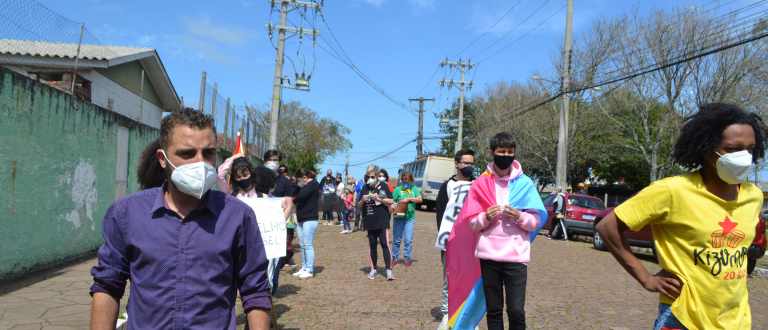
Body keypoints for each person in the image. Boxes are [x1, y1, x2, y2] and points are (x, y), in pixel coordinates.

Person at [89, 109, 271, 329]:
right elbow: (108, 285)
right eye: (187, 153)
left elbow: (256, 290)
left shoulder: (238, 216)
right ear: (162, 159)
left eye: (209, 153)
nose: (200, 163)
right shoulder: (126, 213)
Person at [596, 103, 767, 330]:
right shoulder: (672, 190)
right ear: (706, 149)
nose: (745, 157)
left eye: (751, 148)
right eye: (733, 149)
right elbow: (607, 227)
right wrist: (646, 278)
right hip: (682, 318)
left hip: (736, 319)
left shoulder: (753, 195)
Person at [449, 132, 546, 330]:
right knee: (494, 310)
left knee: (516, 310)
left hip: (516, 257)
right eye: (502, 152)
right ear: (492, 153)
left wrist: (520, 217)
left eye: (510, 152)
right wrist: (485, 217)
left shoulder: (525, 183)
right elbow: (471, 223)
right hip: (489, 256)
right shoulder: (480, 184)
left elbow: (535, 221)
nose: (506, 155)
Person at [434, 148, 476, 330]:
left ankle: (468, 319)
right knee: (448, 280)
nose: (469, 166)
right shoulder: (446, 186)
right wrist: (446, 238)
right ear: (457, 164)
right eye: (466, 163)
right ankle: (447, 315)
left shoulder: (478, 184)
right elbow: (441, 215)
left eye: (472, 163)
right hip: (450, 242)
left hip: (472, 241)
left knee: (471, 280)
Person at [358, 164, 396, 281]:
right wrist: (363, 200)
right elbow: (358, 205)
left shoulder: (384, 186)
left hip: (382, 220)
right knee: (372, 245)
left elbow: (391, 201)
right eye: (368, 177)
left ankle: (388, 270)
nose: (370, 179)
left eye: (372, 177)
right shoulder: (365, 188)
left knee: (385, 244)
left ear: (376, 176)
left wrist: (378, 199)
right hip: (369, 221)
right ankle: (373, 269)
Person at [292, 168, 320, 279]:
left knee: (308, 245)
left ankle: (309, 270)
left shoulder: (313, 184)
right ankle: (304, 267)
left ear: (304, 177)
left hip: (310, 218)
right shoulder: (304, 186)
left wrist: (293, 201)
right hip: (301, 218)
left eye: (299, 179)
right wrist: (299, 187)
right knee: (302, 245)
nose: (299, 182)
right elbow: (294, 193)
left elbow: (300, 197)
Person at [391, 172, 422, 268]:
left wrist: (410, 199)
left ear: (411, 181)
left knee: (408, 240)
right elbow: (392, 202)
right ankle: (395, 258)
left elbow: (420, 199)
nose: (405, 184)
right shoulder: (397, 189)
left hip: (410, 218)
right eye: (404, 182)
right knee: (397, 240)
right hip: (398, 219)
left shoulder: (414, 189)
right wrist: (393, 208)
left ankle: (407, 259)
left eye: (408, 182)